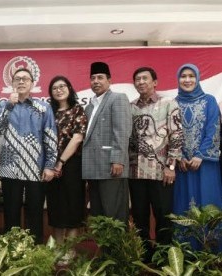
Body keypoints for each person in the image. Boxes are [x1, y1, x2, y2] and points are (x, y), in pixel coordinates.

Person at [0, 68, 57, 244]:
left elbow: (50, 136)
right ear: (11, 83)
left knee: (34, 213)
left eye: (25, 79)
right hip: (9, 168)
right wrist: (8, 107)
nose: (21, 81)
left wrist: (50, 165)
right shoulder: (2, 105)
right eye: (17, 79)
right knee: (11, 213)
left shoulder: (43, 107)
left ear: (32, 84)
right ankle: (11, 251)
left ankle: (35, 253)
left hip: (36, 168)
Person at [129, 67, 183, 260]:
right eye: (137, 79)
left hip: (161, 173)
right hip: (135, 173)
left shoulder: (168, 103)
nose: (141, 82)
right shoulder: (130, 106)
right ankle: (144, 254)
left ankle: (163, 256)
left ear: (155, 82)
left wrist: (171, 166)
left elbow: (176, 135)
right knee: (140, 217)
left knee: (163, 216)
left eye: (145, 78)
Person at [173, 63, 222, 251]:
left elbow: (214, 130)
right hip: (183, 166)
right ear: (178, 79)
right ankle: (186, 251)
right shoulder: (173, 102)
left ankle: (212, 253)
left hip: (206, 164)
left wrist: (200, 155)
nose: (187, 80)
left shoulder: (209, 100)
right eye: (183, 76)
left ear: (198, 78)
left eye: (191, 76)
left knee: (208, 202)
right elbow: (173, 133)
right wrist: (181, 156)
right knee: (184, 204)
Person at [82, 61, 132, 224]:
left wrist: (117, 159)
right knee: (98, 215)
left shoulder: (118, 98)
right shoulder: (89, 107)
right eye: (93, 78)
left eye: (100, 77)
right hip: (93, 169)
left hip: (111, 167)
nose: (95, 81)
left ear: (109, 80)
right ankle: (105, 250)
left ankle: (118, 250)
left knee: (114, 215)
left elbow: (122, 131)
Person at [46, 75, 87, 244]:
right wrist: (52, 164)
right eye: (55, 88)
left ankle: (69, 250)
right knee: (56, 207)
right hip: (50, 165)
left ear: (69, 88)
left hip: (71, 165)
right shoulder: (48, 111)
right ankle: (57, 247)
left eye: (62, 86)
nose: (59, 90)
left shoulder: (78, 109)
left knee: (73, 206)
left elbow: (77, 138)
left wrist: (60, 162)